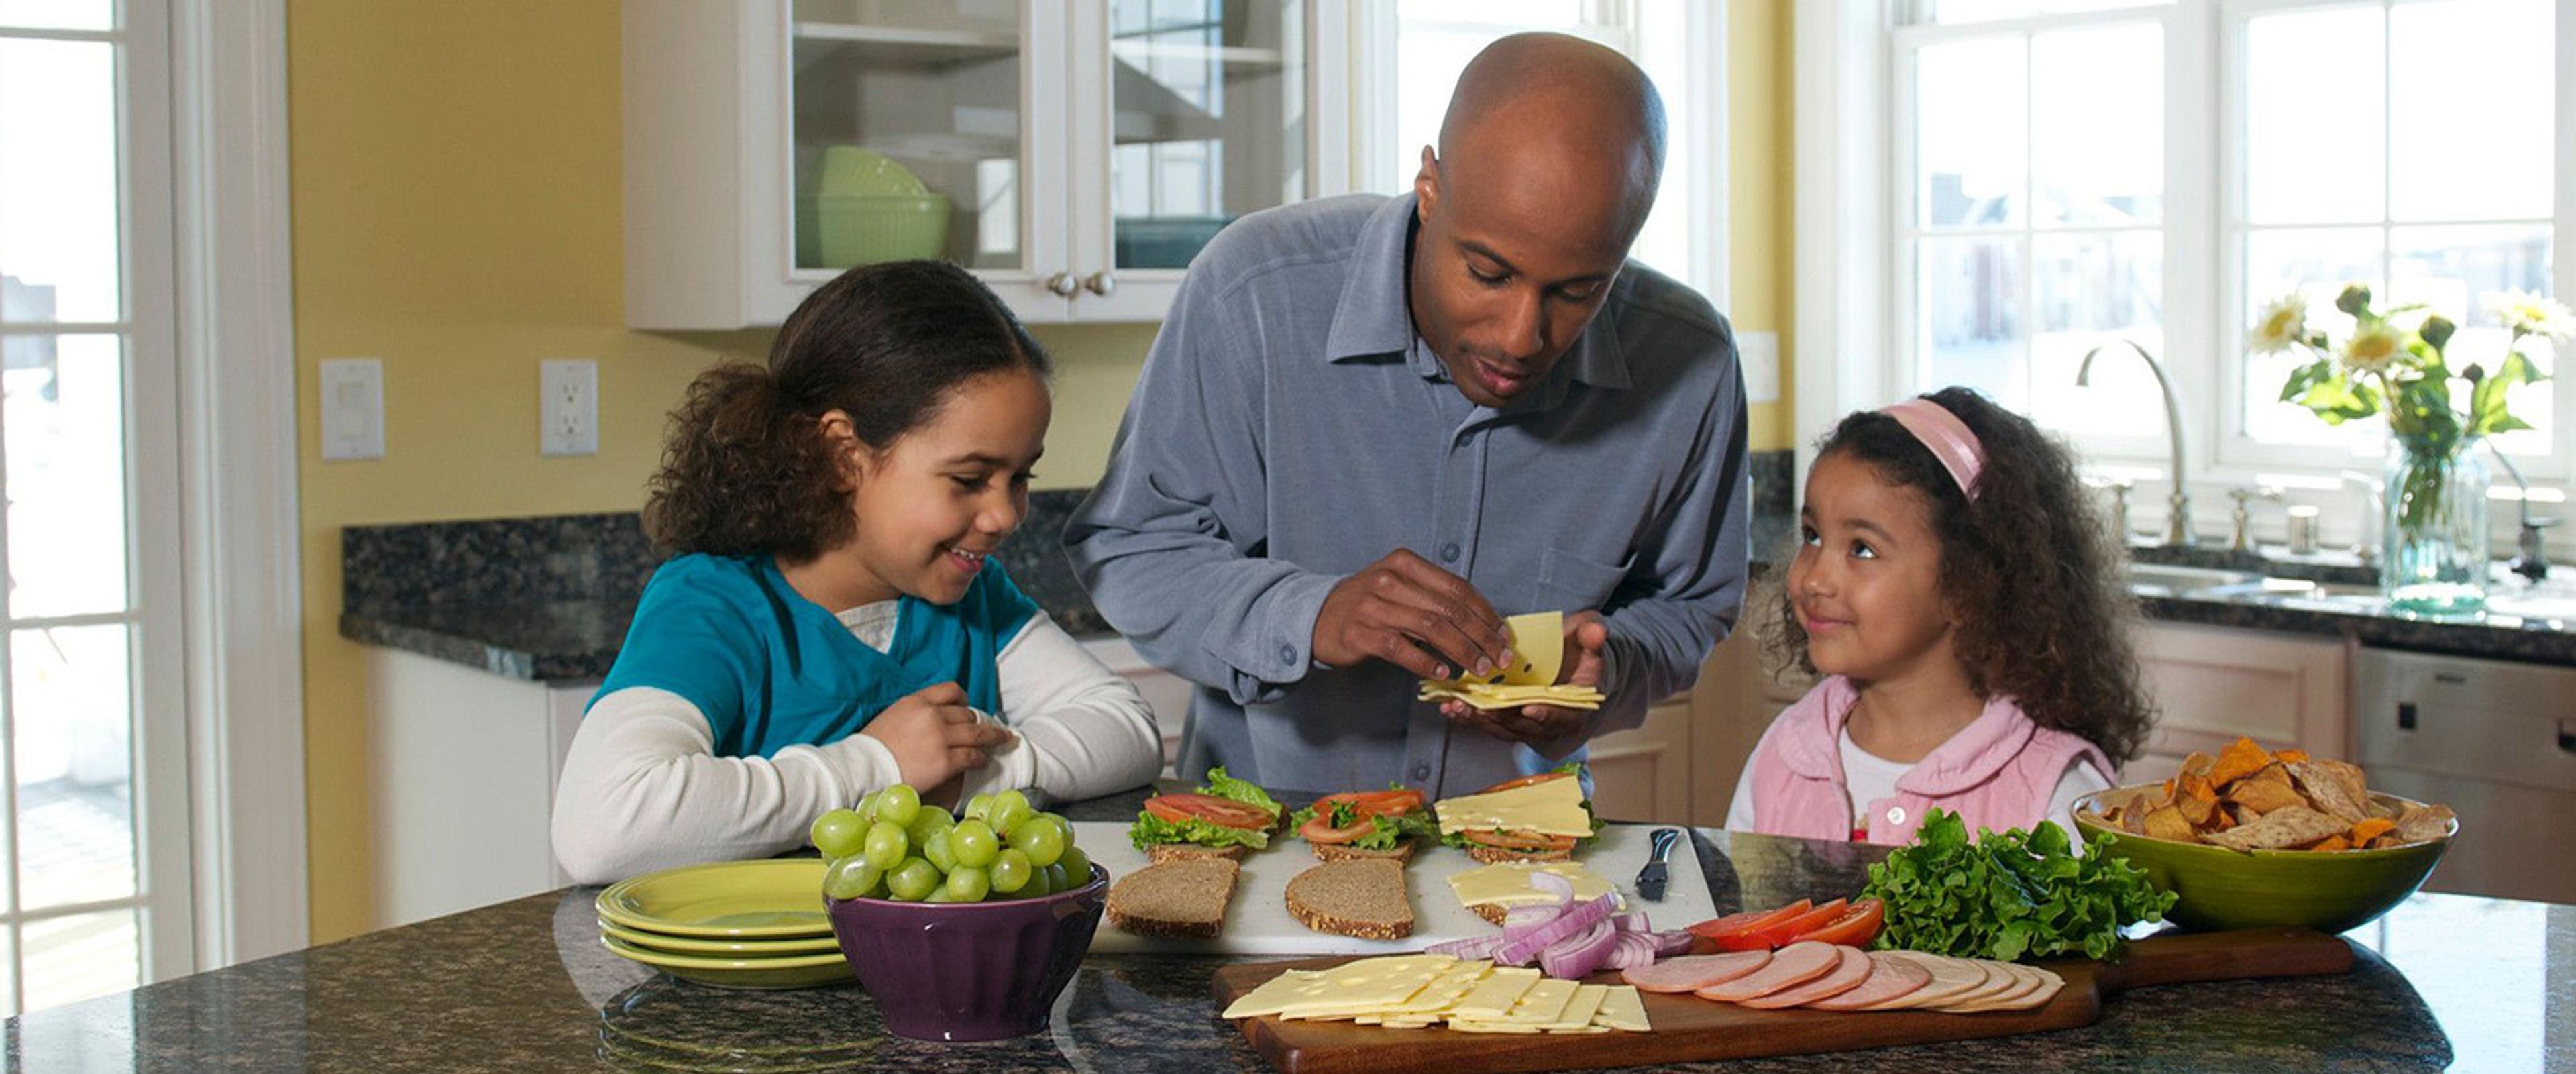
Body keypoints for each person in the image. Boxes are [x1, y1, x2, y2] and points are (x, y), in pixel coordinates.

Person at [1065, 33, 1751, 797]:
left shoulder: (1693, 361)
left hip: (1528, 869)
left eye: (1578, 291)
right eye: (1488, 272)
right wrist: (1309, 612)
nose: (1522, 337)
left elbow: (1693, 605)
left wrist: (1608, 668)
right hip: (1260, 847)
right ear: (1430, 183)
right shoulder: (1253, 293)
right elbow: (1129, 546)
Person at [551, 260, 1162, 885]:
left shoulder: (972, 598)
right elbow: (602, 826)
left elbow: (1127, 728)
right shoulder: (713, 604)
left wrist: (967, 771)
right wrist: (876, 766)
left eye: (1020, 476)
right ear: (843, 454)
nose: (1006, 513)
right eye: (970, 479)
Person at [1726, 388, 2155, 845]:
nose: (1814, 579)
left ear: (1968, 582)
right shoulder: (1784, 754)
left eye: (1862, 548)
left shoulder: (2055, 795)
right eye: (1812, 536)